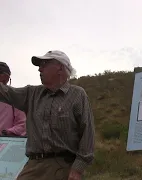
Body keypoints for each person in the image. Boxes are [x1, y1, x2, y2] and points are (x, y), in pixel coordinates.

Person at [0, 50, 95, 180]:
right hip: (33, 165)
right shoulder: (31, 94)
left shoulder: (77, 95)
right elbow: (5, 92)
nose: (39, 69)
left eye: (44, 64)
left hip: (63, 165)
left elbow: (87, 134)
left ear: (60, 67)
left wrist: (78, 169)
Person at [0, 62, 26, 136]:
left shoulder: (15, 98)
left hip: (5, 144)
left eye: (4, 82)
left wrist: (6, 132)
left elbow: (22, 125)